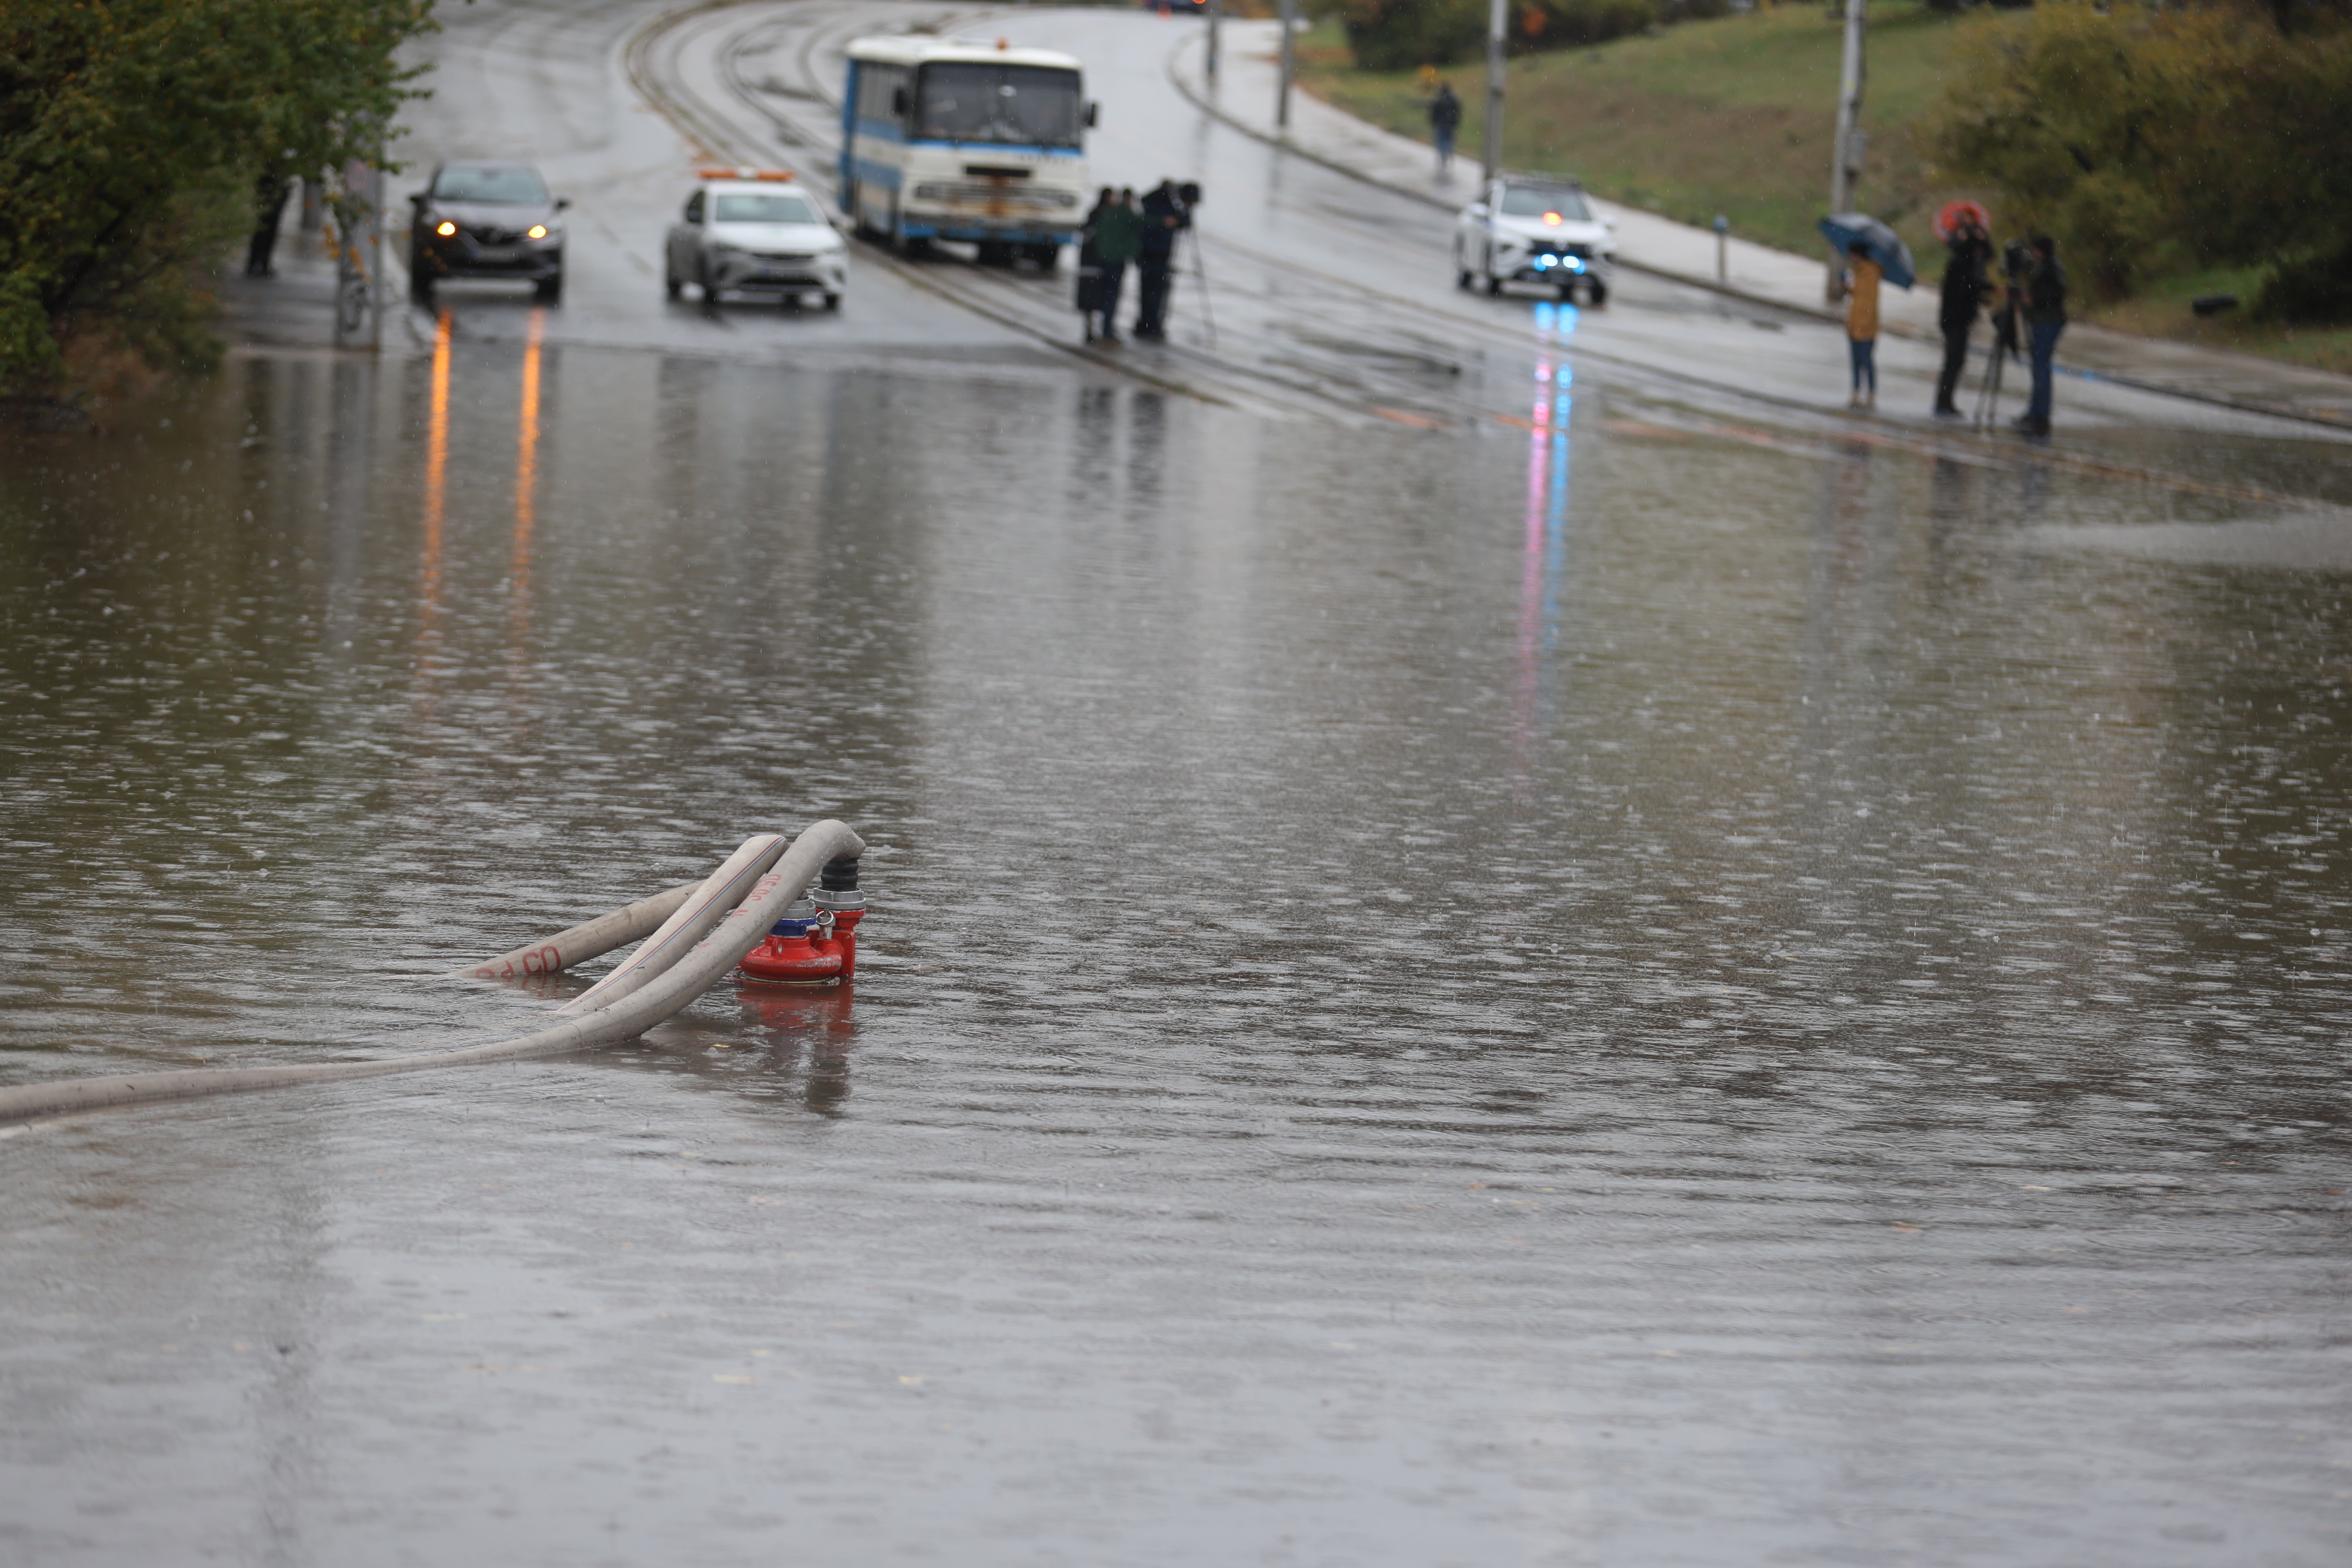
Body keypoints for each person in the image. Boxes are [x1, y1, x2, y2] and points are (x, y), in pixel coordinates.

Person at [1934, 220, 1991, 416]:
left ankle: (1945, 401)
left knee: (1954, 362)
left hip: (1955, 320)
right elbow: (1965, 291)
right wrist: (1980, 293)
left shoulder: (1960, 262)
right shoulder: (1962, 264)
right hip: (1956, 321)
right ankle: (1944, 402)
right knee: (1954, 362)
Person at [2015, 234, 2067, 437]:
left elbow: (2057, 292)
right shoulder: (2046, 266)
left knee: (2042, 368)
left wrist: (2034, 300)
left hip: (2047, 321)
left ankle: (2041, 414)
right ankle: (2035, 411)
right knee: (2039, 367)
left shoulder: (2052, 267)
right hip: (2042, 320)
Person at [1133, 178, 1190, 339]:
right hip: (1155, 256)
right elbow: (1182, 222)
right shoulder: (1162, 206)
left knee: (1149, 294)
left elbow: (1184, 223)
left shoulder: (1156, 205)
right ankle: (1150, 325)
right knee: (1154, 294)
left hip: (1152, 256)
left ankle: (1148, 324)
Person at [1087, 187, 1143, 342]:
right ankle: (1106, 329)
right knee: (1110, 294)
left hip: (1100, 260)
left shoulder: (1104, 213)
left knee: (1099, 294)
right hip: (1113, 261)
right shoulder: (1122, 214)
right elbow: (1140, 225)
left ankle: (1097, 329)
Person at [1076, 187, 1118, 342]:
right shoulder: (1103, 216)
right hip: (1096, 265)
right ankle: (1094, 330)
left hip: (1092, 265)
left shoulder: (1099, 215)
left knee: (1092, 300)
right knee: (1095, 299)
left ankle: (1093, 330)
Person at [1843, 238, 1880, 410]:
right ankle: (1856, 391)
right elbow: (1858, 297)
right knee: (1855, 361)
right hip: (1854, 323)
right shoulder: (1858, 272)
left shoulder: (1871, 272)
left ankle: (1871, 393)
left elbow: (1869, 302)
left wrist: (1865, 324)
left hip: (1866, 326)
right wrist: (1846, 288)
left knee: (1866, 361)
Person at [245, 172, 292, 278]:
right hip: (272, 184)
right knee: (266, 227)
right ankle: (258, 261)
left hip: (272, 184)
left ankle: (260, 261)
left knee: (267, 227)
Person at [1428, 83, 1462, 178]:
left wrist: (1434, 123)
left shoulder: (1440, 100)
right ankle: (1449, 158)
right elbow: (1458, 112)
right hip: (1450, 125)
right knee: (1449, 142)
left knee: (1441, 144)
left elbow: (1434, 113)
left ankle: (1443, 161)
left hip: (1441, 125)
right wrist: (1455, 123)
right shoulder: (1453, 100)